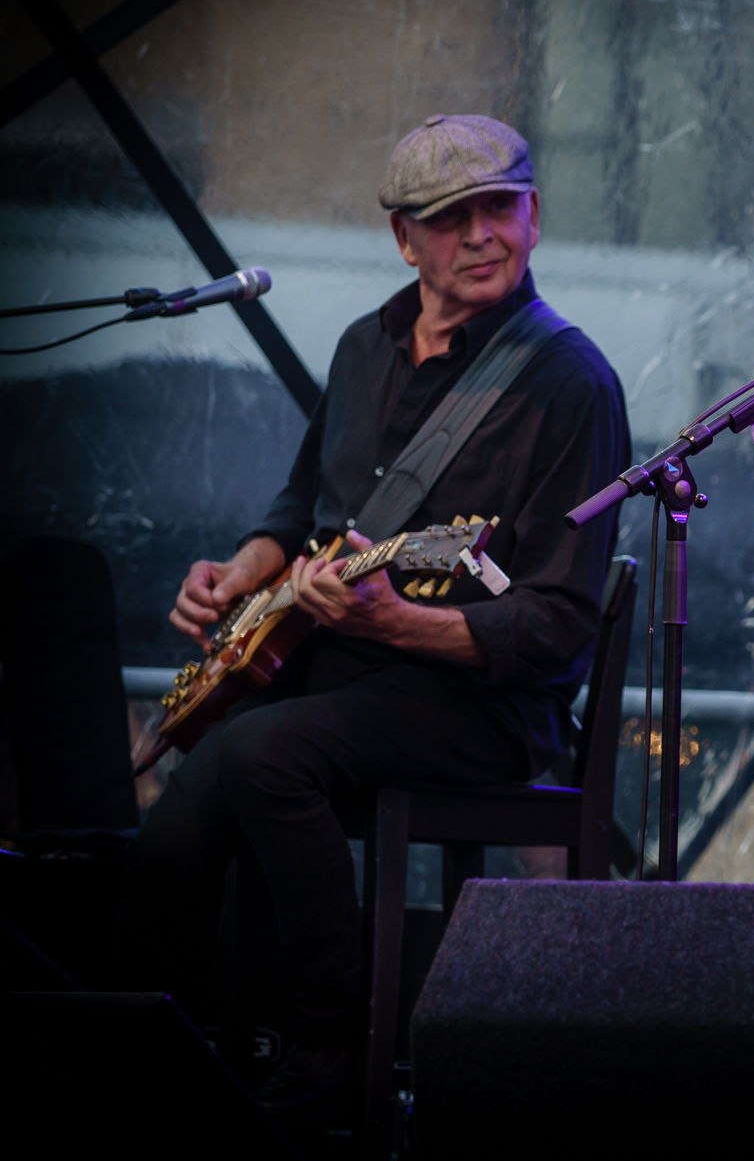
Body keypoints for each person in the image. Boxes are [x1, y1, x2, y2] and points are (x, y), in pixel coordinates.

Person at [128, 113, 630, 1118]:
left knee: (265, 757)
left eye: (501, 208)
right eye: (452, 219)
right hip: (342, 673)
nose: (482, 235)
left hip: (482, 704)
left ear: (535, 219)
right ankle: (184, 1037)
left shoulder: (571, 384)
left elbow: (556, 629)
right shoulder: (364, 346)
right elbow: (303, 509)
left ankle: (330, 1049)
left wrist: (392, 619)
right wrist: (244, 573)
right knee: (185, 788)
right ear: (405, 237)